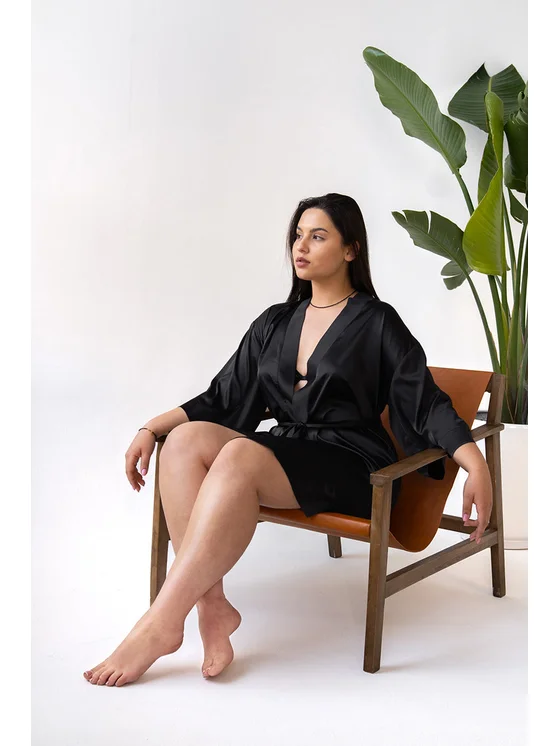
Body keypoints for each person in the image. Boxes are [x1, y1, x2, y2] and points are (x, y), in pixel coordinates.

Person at [83, 193, 493, 687]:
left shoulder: (377, 321)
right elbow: (222, 396)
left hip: (352, 462)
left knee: (239, 453)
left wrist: (475, 464)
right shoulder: (275, 322)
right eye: (298, 236)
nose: (301, 246)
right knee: (185, 441)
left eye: (317, 236)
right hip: (291, 452)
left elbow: (425, 402)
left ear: (350, 250)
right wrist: (152, 428)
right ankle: (213, 608)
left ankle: (160, 624)